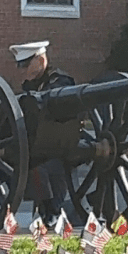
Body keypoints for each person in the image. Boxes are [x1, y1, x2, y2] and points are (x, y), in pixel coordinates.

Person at [9, 41, 75, 226]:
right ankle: (46, 210)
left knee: (45, 166)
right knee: (37, 165)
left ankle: (52, 210)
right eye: (20, 65)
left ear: (41, 60)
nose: (23, 70)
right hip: (35, 141)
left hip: (58, 138)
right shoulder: (30, 84)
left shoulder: (59, 80)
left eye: (26, 64)